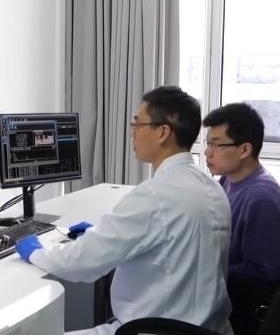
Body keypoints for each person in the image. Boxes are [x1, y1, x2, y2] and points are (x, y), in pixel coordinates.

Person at [15, 86, 233, 335]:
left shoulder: (154, 195)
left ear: (163, 132)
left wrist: (37, 253)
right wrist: (101, 234)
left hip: (153, 329)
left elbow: (81, 263)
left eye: (137, 124)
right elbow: (168, 242)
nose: (132, 133)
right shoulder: (212, 188)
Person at [202, 103, 280, 335]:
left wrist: (207, 268)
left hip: (243, 305)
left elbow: (263, 273)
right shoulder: (229, 179)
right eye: (208, 143)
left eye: (216, 144)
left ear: (244, 150)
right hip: (226, 288)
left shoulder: (261, 198)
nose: (208, 152)